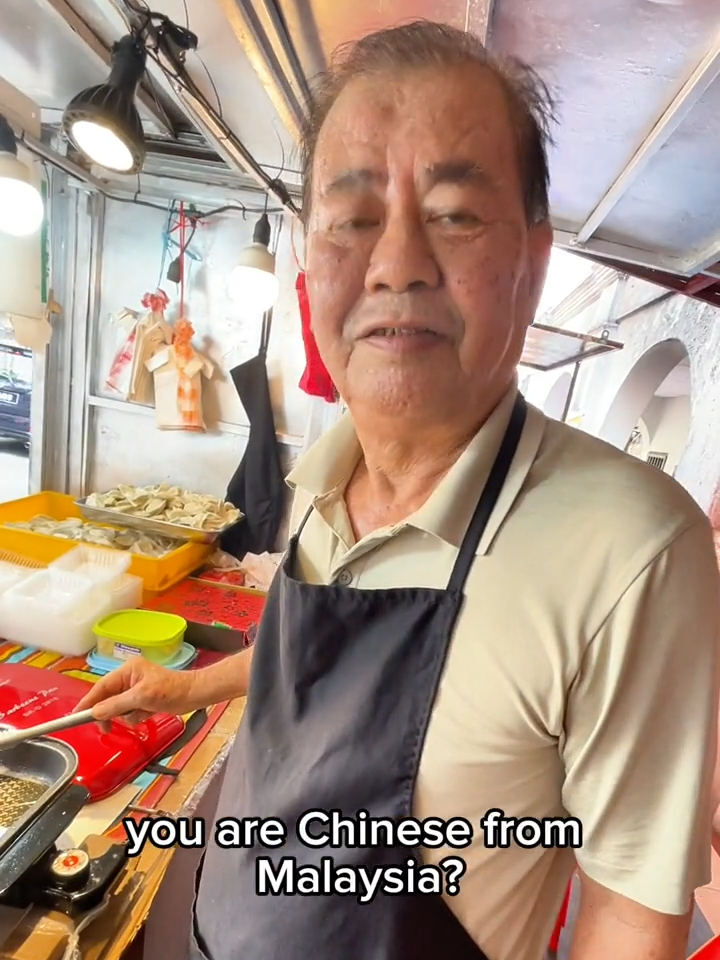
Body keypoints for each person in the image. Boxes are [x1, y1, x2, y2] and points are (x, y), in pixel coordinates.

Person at [76, 20, 720, 960]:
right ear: (311, 261)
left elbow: (630, 919)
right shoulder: (322, 471)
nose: (396, 262)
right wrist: (187, 686)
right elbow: (315, 680)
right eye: (353, 216)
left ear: (532, 262)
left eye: (456, 213)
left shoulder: (632, 552)